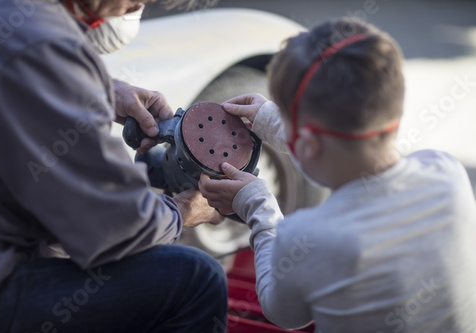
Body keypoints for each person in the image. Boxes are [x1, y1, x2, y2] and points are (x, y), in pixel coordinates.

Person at [199, 18, 476, 332]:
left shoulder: (311, 237)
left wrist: (257, 204)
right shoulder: (446, 172)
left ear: (307, 145)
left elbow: (282, 314)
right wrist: (281, 126)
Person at [0, 0, 227, 332]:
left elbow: (13, 67)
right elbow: (113, 225)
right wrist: (182, 210)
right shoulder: (42, 43)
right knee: (197, 278)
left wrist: (98, 88)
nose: (142, 3)